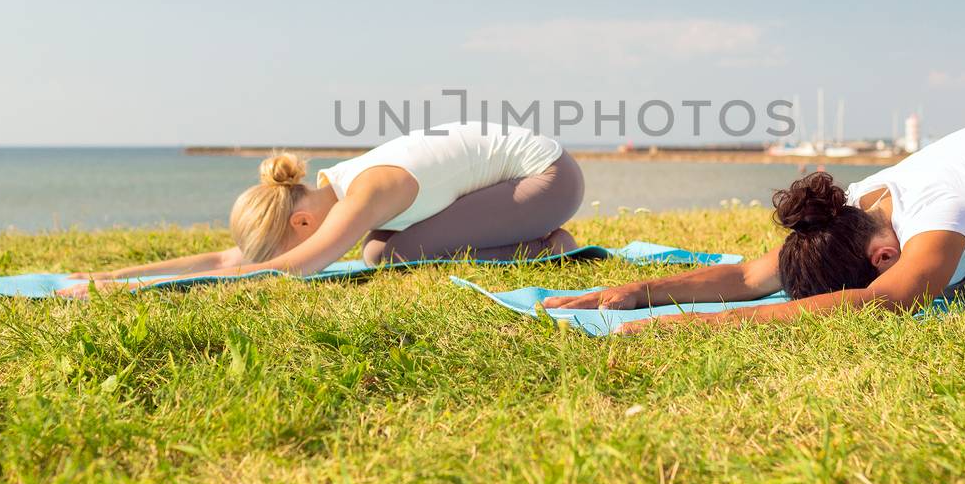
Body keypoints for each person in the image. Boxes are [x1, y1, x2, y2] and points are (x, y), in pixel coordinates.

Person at [542, 106, 965, 333]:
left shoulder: (940, 215)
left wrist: (709, 329)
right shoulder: (861, 205)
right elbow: (753, 272)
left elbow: (877, 302)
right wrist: (640, 294)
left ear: (882, 255)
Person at [63, 122, 583, 295]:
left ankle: (547, 244)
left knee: (392, 255)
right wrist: (116, 277)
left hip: (547, 178)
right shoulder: (335, 191)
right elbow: (230, 259)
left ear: (303, 222)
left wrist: (168, 292)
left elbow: (296, 266)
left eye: (296, 239)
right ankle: (536, 238)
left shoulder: (365, 192)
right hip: (510, 179)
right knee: (382, 250)